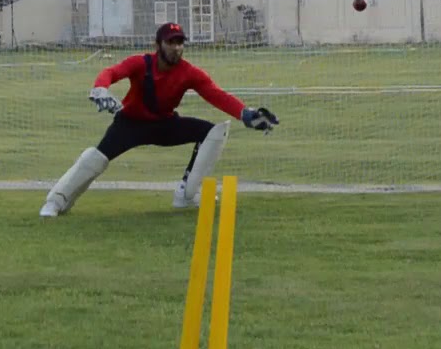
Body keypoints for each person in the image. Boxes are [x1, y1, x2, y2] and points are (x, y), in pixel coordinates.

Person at [40, 22, 279, 217]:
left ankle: (186, 196)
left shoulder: (189, 72)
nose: (176, 48)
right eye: (170, 42)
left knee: (212, 132)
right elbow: (111, 72)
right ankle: (56, 201)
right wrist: (100, 88)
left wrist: (246, 114)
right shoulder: (140, 63)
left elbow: (217, 95)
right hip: (130, 124)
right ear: (158, 45)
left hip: (164, 125)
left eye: (180, 43)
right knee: (96, 158)